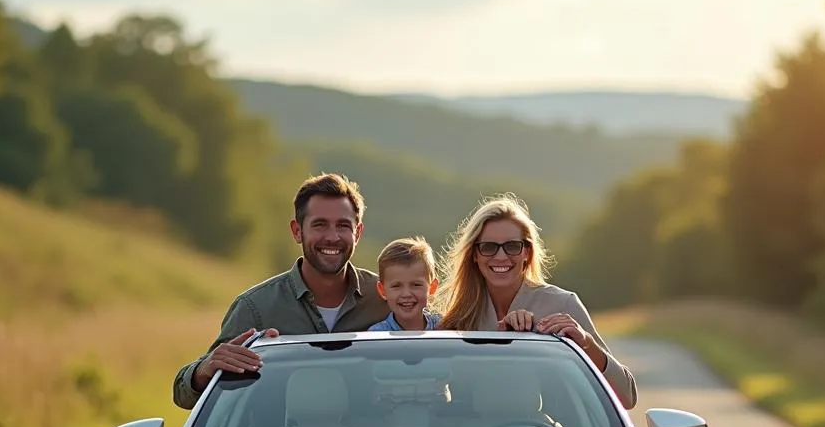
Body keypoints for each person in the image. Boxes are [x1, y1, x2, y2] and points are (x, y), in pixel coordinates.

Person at [172, 172, 389, 409]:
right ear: (297, 231)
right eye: (319, 224)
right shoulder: (255, 308)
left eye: (343, 226)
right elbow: (185, 397)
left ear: (357, 233)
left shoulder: (387, 299)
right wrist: (205, 369)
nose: (332, 237)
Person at [437, 194, 638, 409]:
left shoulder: (563, 305)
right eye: (488, 247)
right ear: (474, 255)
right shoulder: (459, 317)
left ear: (528, 253)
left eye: (512, 246)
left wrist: (586, 343)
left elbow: (626, 397)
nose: (501, 256)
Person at [367, 237, 442, 332]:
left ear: (432, 287)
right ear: (382, 291)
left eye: (416, 285)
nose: (406, 294)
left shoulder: (444, 328)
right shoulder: (376, 336)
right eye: (396, 286)